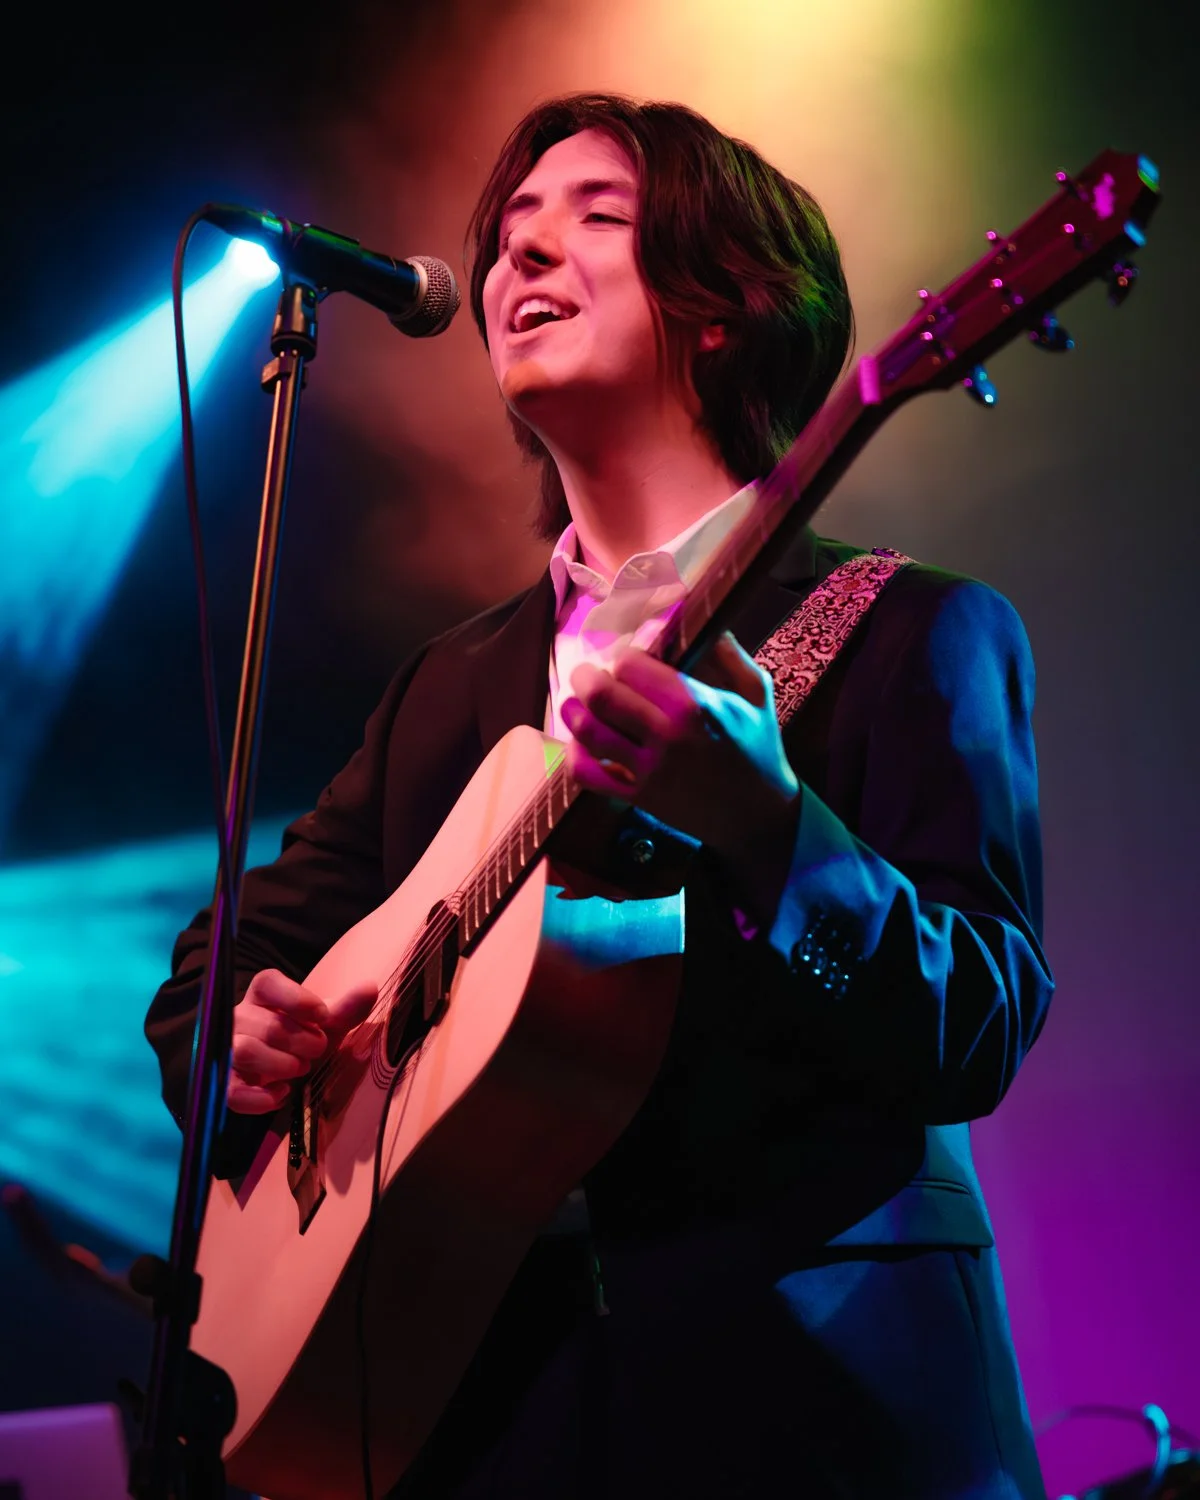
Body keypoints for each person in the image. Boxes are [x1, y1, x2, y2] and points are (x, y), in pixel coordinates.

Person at [146, 93, 1054, 1498]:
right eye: (509, 236)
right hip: (487, 1419)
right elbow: (223, 962)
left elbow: (980, 1023)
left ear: (726, 305)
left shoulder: (909, 632)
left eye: (595, 218)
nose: (524, 258)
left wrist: (770, 826)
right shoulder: (447, 690)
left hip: (816, 1409)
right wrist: (240, 1052)